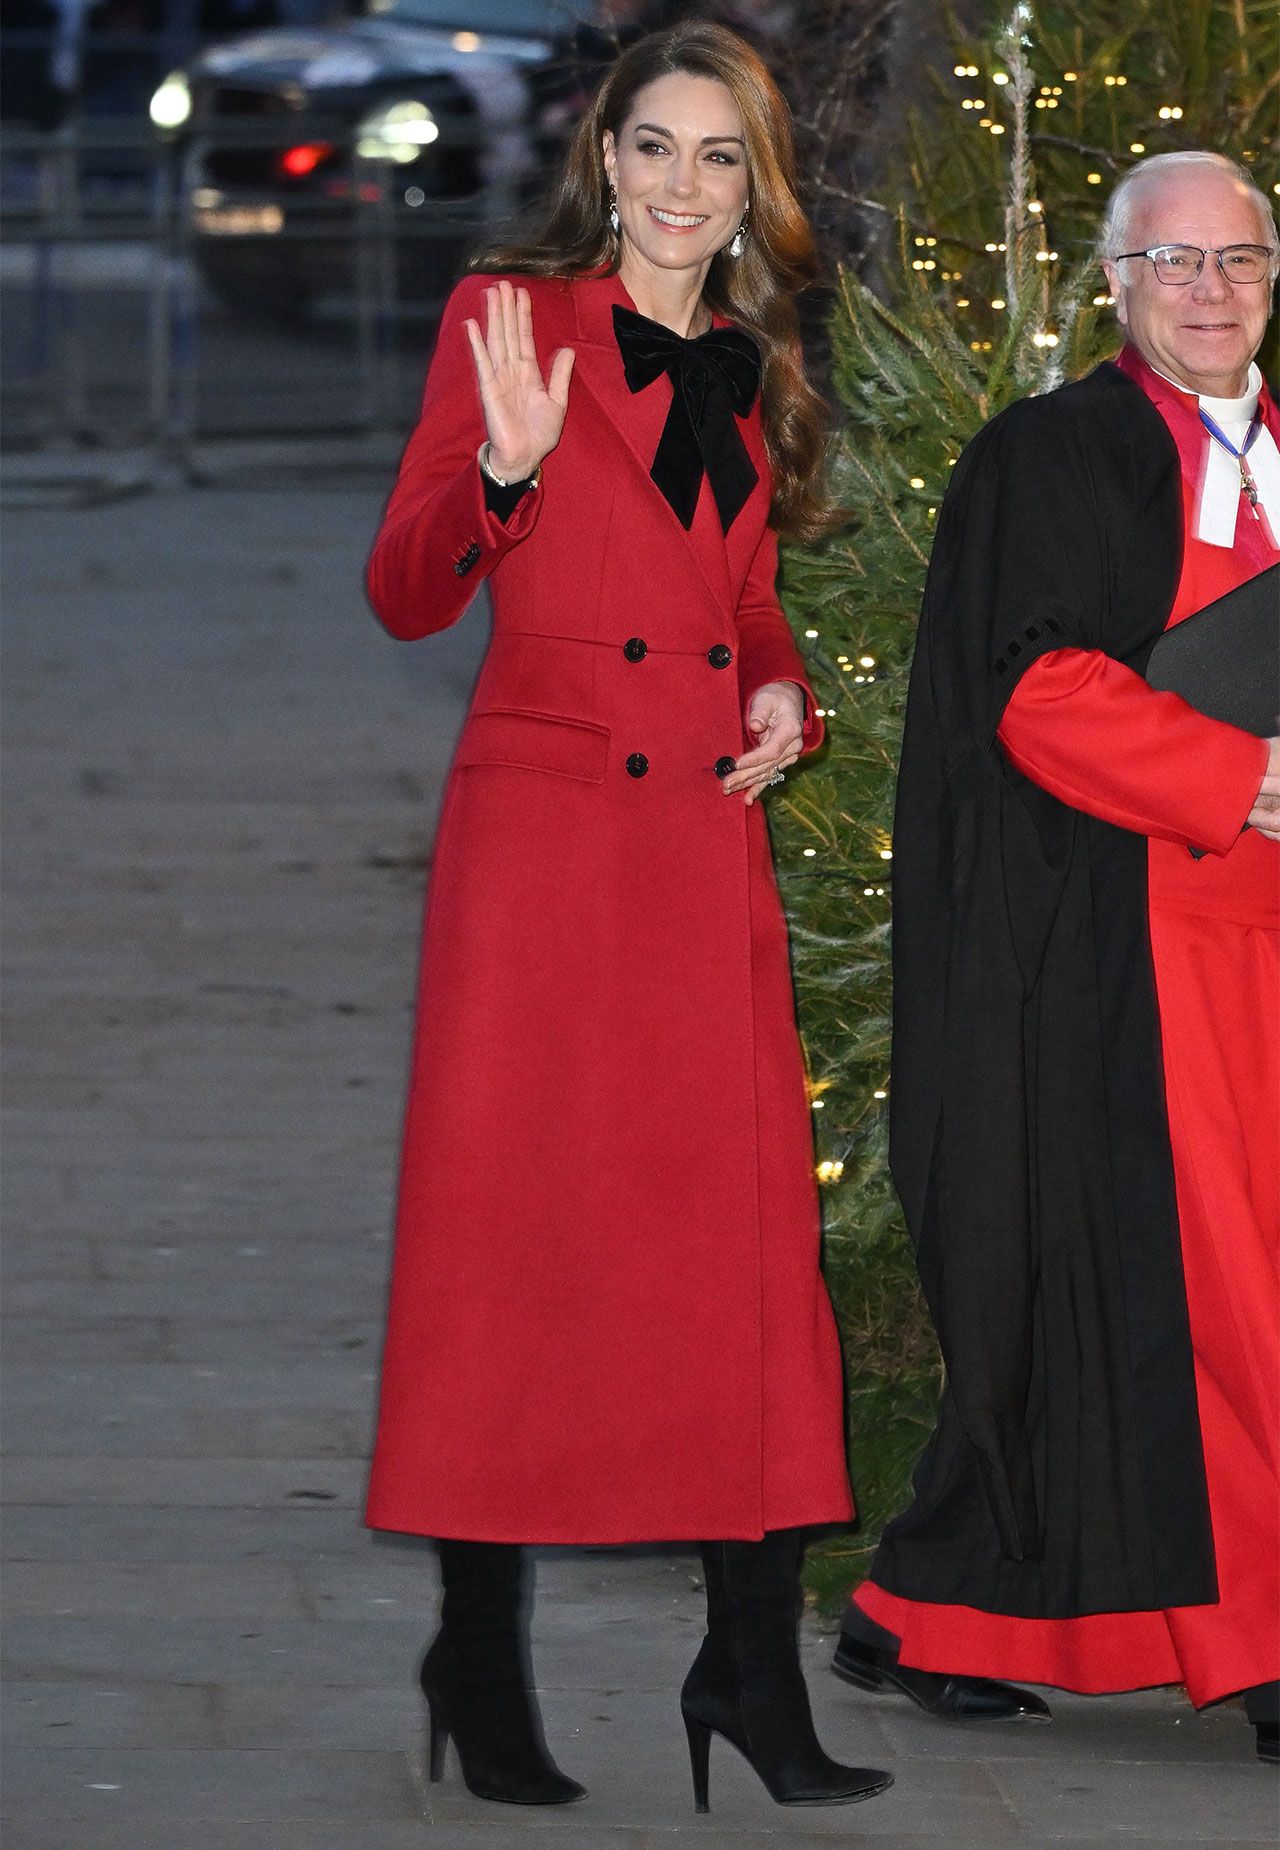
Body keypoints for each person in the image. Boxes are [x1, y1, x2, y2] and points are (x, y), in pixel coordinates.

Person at [362, 21, 892, 1816]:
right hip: (548, 855)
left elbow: (738, 606)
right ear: (607, 158)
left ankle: (747, 1668)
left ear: (756, 186)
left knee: (750, 1261)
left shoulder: (752, 361)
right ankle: (475, 1647)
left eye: (718, 158)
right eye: (654, 148)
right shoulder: (509, 321)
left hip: (697, 862)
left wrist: (783, 701)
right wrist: (506, 475)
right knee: (512, 1251)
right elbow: (406, 587)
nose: (681, 187)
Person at [832, 150, 1280, 1765]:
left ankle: (935, 1612)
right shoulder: (1053, 453)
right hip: (1148, 945)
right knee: (1226, 1297)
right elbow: (1030, 689)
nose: (1211, 290)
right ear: (1116, 282)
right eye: (1175, 263)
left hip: (1265, 945)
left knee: (1126, 1322)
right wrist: (1253, 779)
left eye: (1239, 257)